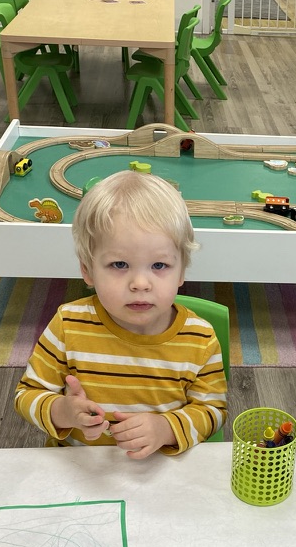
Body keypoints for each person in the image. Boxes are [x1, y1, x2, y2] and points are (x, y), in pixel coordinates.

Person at [14, 170, 227, 457]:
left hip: (160, 470)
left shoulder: (199, 338)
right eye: (119, 265)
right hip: (80, 469)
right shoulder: (67, 324)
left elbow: (213, 410)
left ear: (181, 272)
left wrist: (165, 429)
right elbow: (26, 395)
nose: (140, 283)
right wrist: (63, 411)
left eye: (159, 266)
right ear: (88, 271)